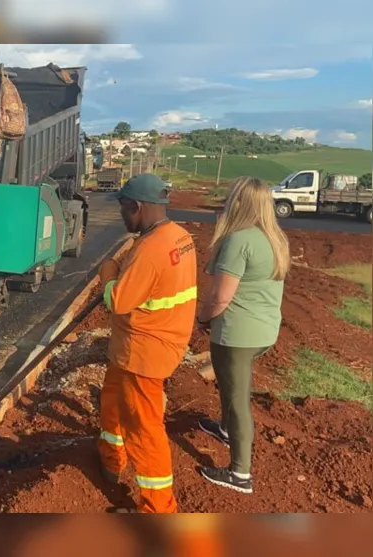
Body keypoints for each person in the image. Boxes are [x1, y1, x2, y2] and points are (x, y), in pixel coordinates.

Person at [97, 173, 198, 514]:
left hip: (145, 354)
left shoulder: (151, 250)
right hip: (141, 347)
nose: (121, 216)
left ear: (137, 207)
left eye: (124, 209)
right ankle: (111, 461)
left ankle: (158, 509)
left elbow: (119, 300)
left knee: (145, 431)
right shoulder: (179, 237)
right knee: (111, 402)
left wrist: (108, 272)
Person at [195, 176, 290, 494]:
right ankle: (224, 429)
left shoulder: (239, 240)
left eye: (230, 198)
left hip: (237, 334)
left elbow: (220, 297)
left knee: (237, 402)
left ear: (239, 203)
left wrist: (203, 319)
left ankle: (240, 474)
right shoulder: (274, 237)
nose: (225, 203)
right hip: (264, 331)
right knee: (235, 385)